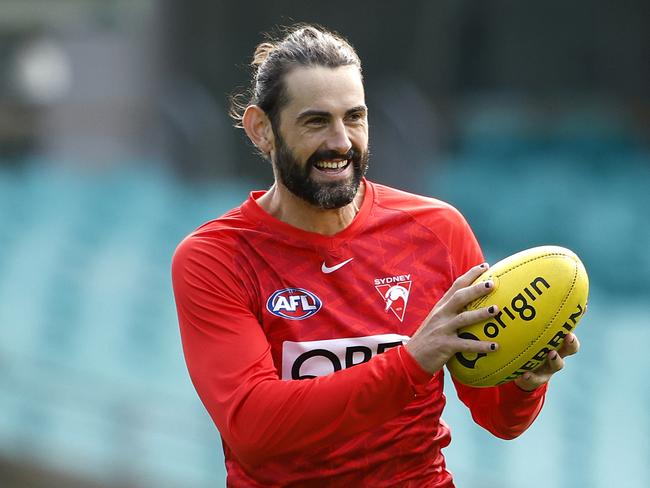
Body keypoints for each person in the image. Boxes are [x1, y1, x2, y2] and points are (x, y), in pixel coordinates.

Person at [171, 24, 581, 487]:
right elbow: (254, 429)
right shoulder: (215, 257)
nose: (341, 142)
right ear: (261, 129)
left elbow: (499, 419)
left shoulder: (438, 231)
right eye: (315, 121)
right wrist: (410, 362)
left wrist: (526, 380)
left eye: (354, 117)